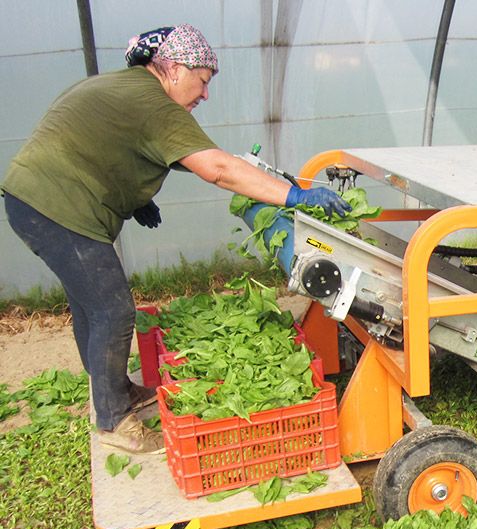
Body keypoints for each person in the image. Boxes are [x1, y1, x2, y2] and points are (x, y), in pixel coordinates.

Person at [1, 24, 349, 454]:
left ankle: (115, 393)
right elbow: (217, 168)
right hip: (54, 205)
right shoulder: (153, 102)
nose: (204, 95)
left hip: (36, 199)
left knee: (91, 305)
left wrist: (132, 197)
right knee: (111, 307)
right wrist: (295, 195)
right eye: (202, 81)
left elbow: (108, 147)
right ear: (173, 69)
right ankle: (112, 421)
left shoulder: (129, 90)